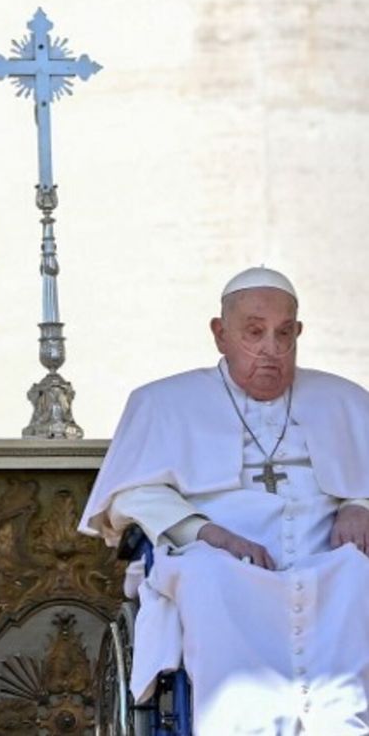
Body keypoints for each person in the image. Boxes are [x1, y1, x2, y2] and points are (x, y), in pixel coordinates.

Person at [81, 266, 369, 732]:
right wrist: (206, 532)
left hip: (328, 563)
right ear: (220, 334)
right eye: (254, 334)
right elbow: (127, 494)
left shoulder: (347, 401)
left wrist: (360, 504)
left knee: (358, 570)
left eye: (284, 334)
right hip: (216, 560)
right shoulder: (163, 403)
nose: (272, 351)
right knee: (208, 575)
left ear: (298, 333)